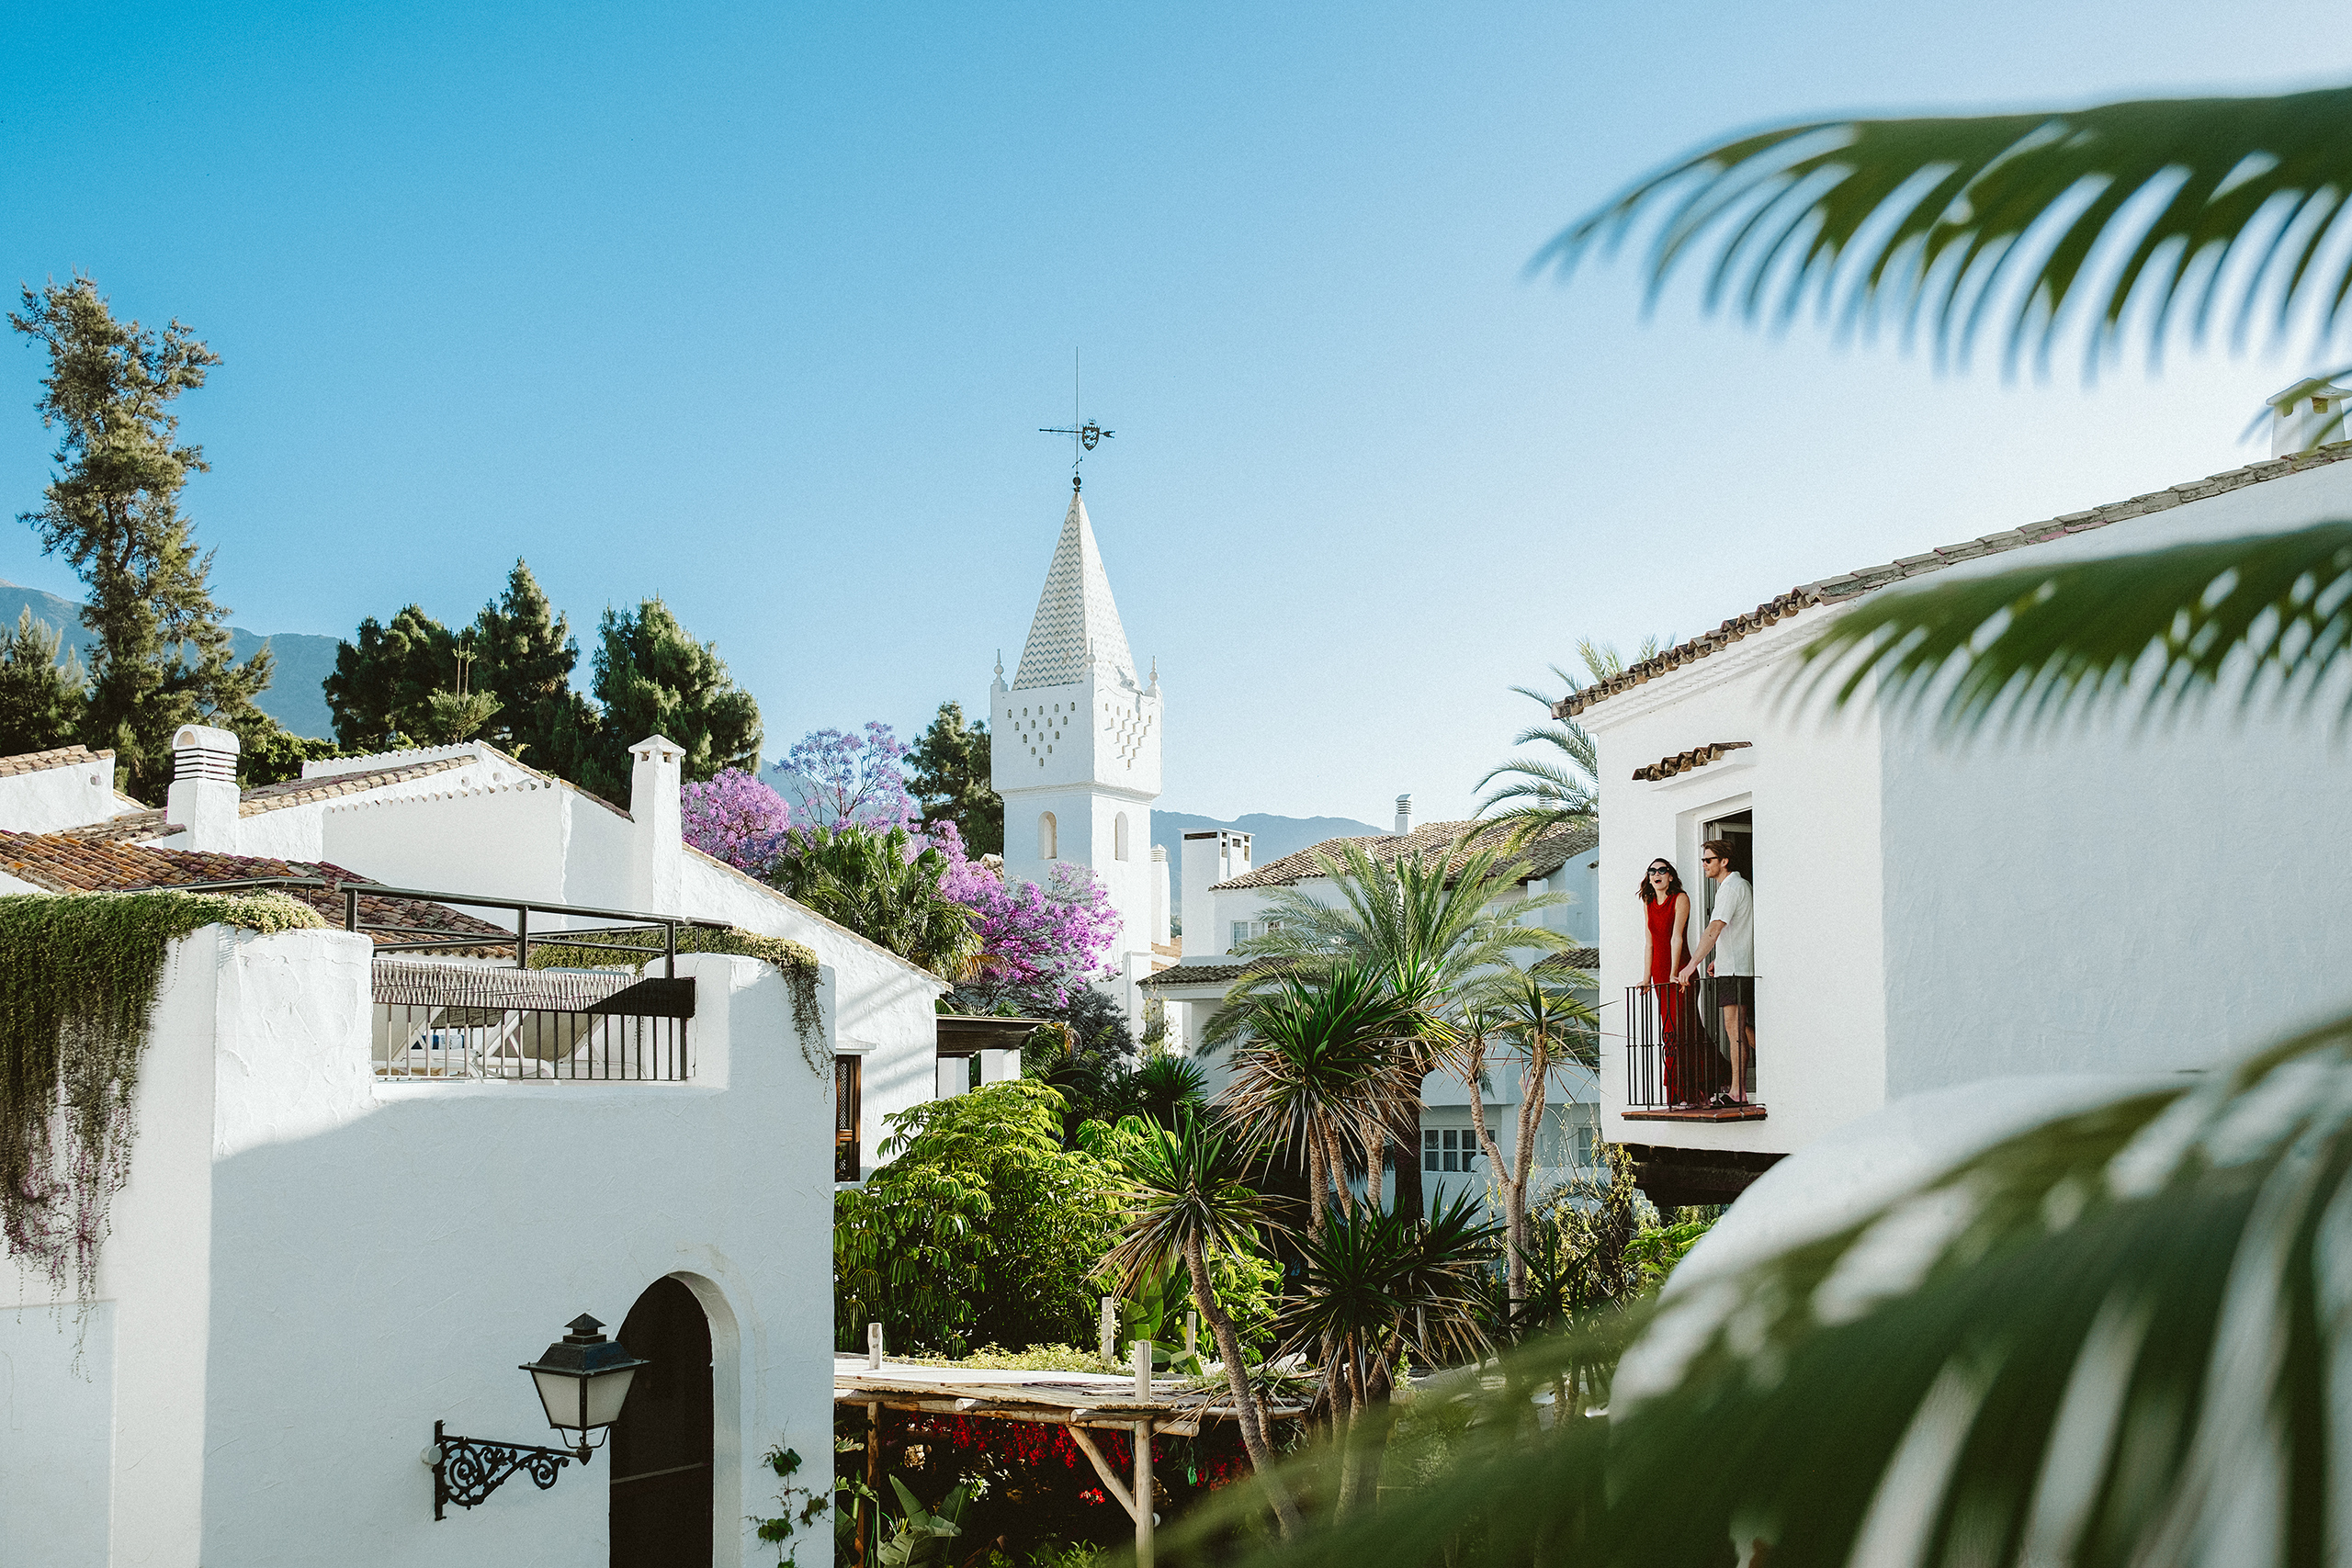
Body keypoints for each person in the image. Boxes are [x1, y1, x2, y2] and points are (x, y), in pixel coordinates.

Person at [1678, 839, 1755, 1106]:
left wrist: (1691, 966)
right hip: (1732, 966)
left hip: (1736, 970)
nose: (1704, 865)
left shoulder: (1731, 888)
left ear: (1724, 861)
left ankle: (1738, 1092)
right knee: (1740, 1028)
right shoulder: (1733, 887)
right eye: (1703, 860)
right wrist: (1717, 960)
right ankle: (1740, 1089)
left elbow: (1714, 929)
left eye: (1708, 860)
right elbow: (1734, 932)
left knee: (1735, 1030)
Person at [1639, 859, 1695, 1104]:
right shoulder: (1648, 902)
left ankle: (1685, 1091)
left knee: (1680, 1031)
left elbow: (1676, 938)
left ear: (1670, 876)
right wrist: (1646, 978)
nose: (1657, 874)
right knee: (1671, 1031)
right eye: (1652, 871)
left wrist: (1674, 972)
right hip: (1660, 974)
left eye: (1662, 870)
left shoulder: (1680, 898)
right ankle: (1680, 1091)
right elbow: (1650, 943)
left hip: (1679, 973)